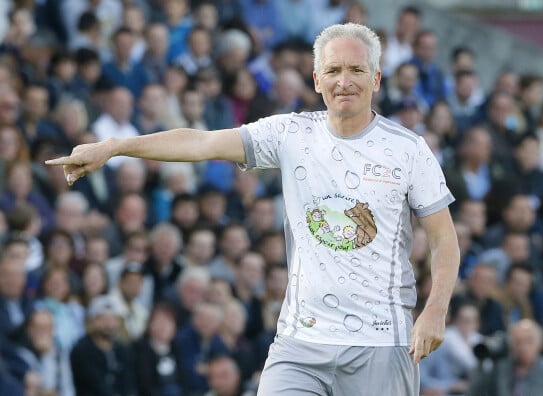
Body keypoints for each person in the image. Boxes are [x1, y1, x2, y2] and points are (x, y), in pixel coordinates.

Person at [46, 23, 460, 395]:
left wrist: (435, 310)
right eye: (333, 71)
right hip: (301, 342)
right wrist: (116, 147)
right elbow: (201, 143)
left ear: (377, 78)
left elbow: (443, 240)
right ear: (317, 80)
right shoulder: (291, 133)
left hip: (381, 342)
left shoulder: (408, 150)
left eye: (355, 70)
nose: (344, 81)